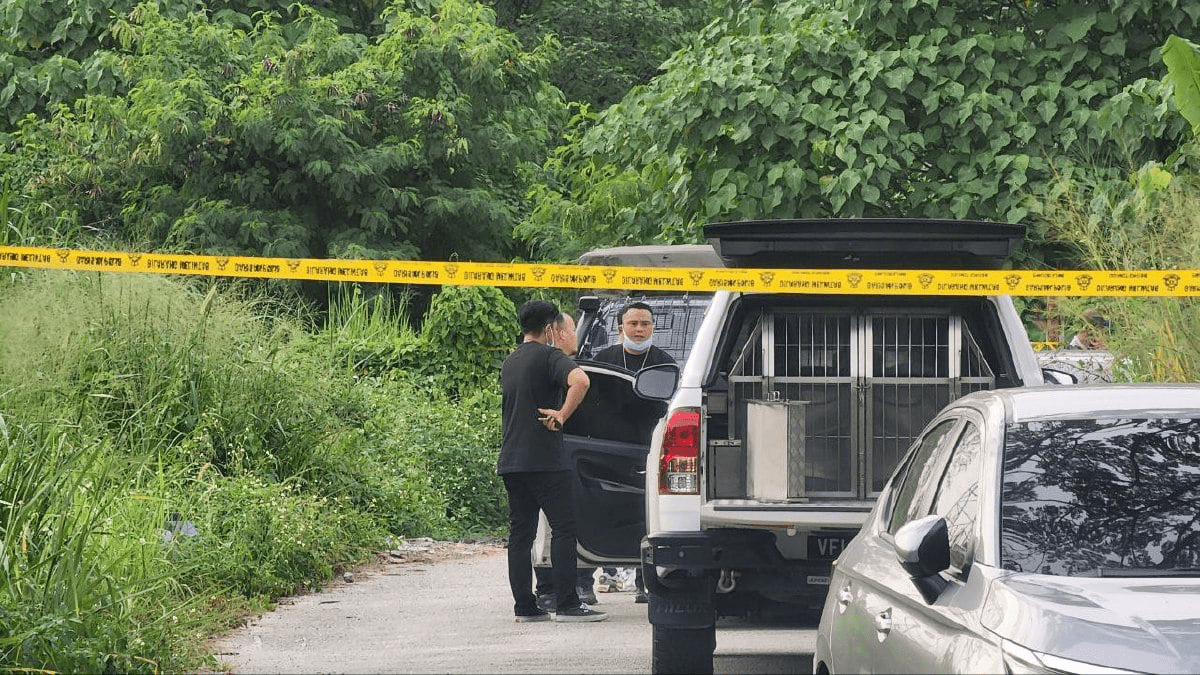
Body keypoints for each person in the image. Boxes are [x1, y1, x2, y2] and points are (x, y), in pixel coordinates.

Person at [499, 300, 607, 623]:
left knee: (520, 536)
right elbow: (582, 381)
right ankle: (568, 604)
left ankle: (525, 607)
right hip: (545, 459)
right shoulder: (551, 356)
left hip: (512, 461)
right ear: (550, 328)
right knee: (564, 529)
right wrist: (562, 414)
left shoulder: (510, 361)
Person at [589, 301, 677, 605]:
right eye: (633, 324)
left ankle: (645, 582)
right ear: (619, 328)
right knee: (599, 512)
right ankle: (590, 580)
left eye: (645, 324)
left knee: (646, 517)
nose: (639, 330)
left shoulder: (665, 363)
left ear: (653, 327)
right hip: (608, 450)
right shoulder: (604, 359)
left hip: (647, 451)